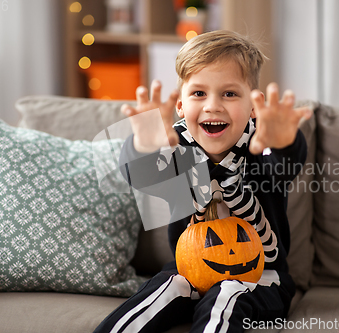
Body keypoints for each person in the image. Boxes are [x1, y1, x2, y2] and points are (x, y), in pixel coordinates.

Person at [94, 30, 312, 333]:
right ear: (181, 106)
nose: (212, 105)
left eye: (229, 93)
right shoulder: (177, 148)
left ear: (253, 105)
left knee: (228, 292)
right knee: (163, 288)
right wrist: (144, 147)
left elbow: (283, 166)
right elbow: (143, 176)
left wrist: (283, 142)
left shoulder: (261, 144)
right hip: (189, 269)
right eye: (199, 93)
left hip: (262, 276)